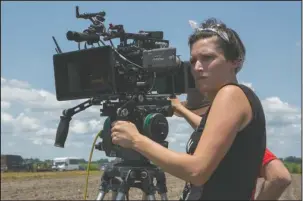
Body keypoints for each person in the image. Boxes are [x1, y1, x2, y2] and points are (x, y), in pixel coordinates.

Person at [111, 17, 267, 200]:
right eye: (193, 61)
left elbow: (197, 171)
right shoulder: (238, 97)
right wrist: (183, 110)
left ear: (236, 61)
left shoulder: (230, 94)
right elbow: (209, 130)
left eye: (208, 58)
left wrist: (136, 140)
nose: (197, 67)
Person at [179, 88, 292, 200]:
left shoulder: (237, 140)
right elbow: (207, 128)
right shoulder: (223, 138)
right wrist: (182, 110)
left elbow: (280, 177)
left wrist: (182, 110)